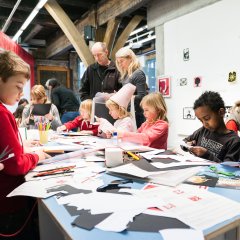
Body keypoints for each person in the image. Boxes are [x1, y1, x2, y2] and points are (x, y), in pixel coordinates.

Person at [0, 50, 49, 239]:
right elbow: (16, 165)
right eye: (18, 86)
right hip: (9, 205)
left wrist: (20, 145)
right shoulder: (3, 114)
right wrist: (37, 156)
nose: (22, 94)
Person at [183, 91, 240, 162]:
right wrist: (187, 145)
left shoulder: (234, 141)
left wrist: (207, 155)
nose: (204, 124)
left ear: (221, 112)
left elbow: (228, 171)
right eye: (201, 120)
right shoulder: (203, 130)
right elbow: (185, 141)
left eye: (207, 118)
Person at [115, 47, 147, 128]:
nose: (120, 65)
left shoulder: (138, 74)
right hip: (128, 113)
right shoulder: (125, 75)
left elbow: (142, 96)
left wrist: (128, 97)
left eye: (122, 61)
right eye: (118, 62)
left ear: (130, 58)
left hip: (136, 114)